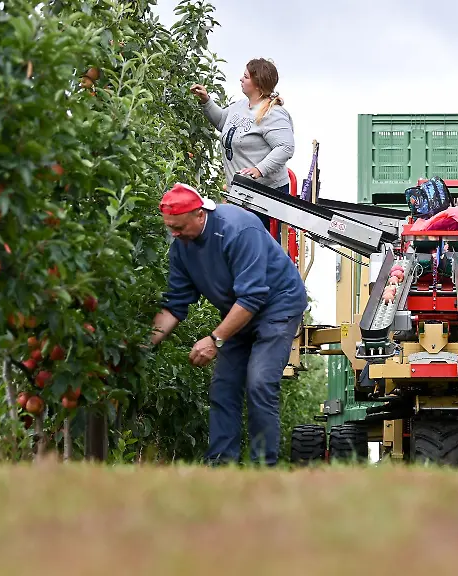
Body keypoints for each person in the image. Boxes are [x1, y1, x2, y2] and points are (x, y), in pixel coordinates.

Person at [148, 183, 308, 467]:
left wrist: (214, 339)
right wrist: (144, 344)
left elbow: (253, 296)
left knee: (259, 382)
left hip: (277, 305)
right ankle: (222, 467)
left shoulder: (238, 229)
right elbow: (175, 305)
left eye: (179, 227)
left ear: (199, 215)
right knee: (223, 386)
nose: (174, 233)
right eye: (170, 227)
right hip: (239, 311)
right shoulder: (182, 247)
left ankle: (262, 469)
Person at [191, 58, 295, 194]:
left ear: (257, 84)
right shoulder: (239, 106)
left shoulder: (273, 113)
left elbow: (285, 147)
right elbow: (222, 121)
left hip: (267, 193)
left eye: (246, 77)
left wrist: (260, 169)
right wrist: (206, 101)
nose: (241, 79)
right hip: (241, 190)